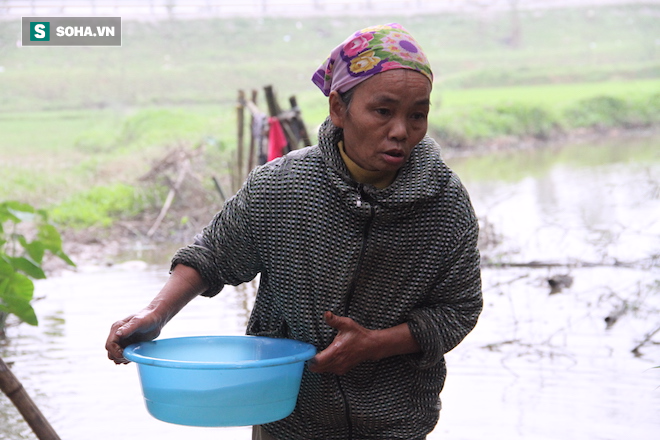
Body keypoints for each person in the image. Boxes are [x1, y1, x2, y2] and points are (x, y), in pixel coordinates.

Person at [106, 23, 482, 440]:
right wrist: (156, 313)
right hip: (287, 418)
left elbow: (458, 311)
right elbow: (212, 257)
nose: (400, 130)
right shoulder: (282, 188)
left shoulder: (443, 204)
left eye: (417, 115)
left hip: (395, 424)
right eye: (383, 111)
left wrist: (375, 343)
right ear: (338, 108)